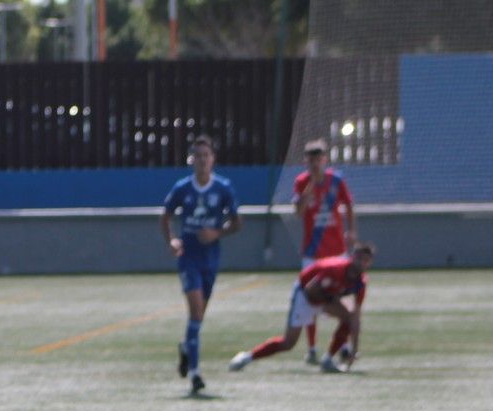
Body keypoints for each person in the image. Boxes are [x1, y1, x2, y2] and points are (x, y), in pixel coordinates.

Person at [160, 135, 242, 396]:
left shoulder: (224, 188)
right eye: (198, 156)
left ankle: (186, 348)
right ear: (192, 160)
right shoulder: (183, 188)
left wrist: (217, 233)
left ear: (213, 159)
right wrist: (172, 240)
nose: (202, 160)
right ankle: (195, 373)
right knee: (195, 311)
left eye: (206, 156)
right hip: (189, 257)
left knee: (199, 316)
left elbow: (237, 223)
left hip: (211, 258)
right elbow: (165, 216)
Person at [230, 243, 374, 374]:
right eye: (359, 258)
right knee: (288, 343)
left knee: (349, 318)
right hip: (304, 295)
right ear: (352, 257)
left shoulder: (361, 282)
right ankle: (246, 357)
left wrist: (354, 349)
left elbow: (356, 316)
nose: (361, 263)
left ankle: (328, 359)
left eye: (365, 260)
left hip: (325, 297)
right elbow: (310, 291)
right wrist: (328, 304)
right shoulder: (335, 270)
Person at [291, 138, 359, 365]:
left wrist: (351, 231)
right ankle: (311, 347)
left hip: (336, 251)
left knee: (341, 299)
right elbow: (299, 212)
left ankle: (345, 346)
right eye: (311, 160)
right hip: (312, 252)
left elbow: (349, 205)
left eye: (319, 160)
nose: (315, 164)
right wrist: (309, 190)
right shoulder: (301, 182)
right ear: (306, 162)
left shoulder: (336, 181)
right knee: (311, 299)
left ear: (325, 160)